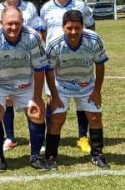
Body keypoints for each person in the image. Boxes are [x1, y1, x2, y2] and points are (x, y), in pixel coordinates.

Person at [0, 7, 49, 171]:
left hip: (25, 83)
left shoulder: (32, 37)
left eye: (17, 23)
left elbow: (39, 68)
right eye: (9, 23)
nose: (13, 27)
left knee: (37, 113)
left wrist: (37, 97)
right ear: (1, 23)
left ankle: (35, 157)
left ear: (23, 22)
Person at [44, 10, 109, 169]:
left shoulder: (94, 40)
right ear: (63, 27)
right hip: (62, 85)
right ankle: (51, 157)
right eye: (69, 28)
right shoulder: (54, 44)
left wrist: (97, 91)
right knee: (57, 119)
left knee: (95, 117)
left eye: (77, 28)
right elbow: (49, 71)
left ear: (83, 27)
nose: (73, 32)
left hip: (86, 85)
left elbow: (100, 65)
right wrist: (54, 95)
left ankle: (97, 155)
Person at [39, 0, 95, 155]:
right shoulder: (45, 8)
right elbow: (43, 33)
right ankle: (50, 137)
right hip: (55, 60)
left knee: (82, 97)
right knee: (52, 99)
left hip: (78, 59)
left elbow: (91, 28)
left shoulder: (81, 6)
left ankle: (83, 137)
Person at [0, 0, 44, 152]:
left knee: (36, 109)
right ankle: (5, 144)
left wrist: (38, 96)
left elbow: (37, 34)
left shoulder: (30, 10)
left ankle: (36, 150)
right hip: (0, 73)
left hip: (24, 69)